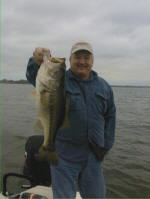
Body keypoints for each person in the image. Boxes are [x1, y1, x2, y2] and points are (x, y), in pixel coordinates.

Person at [26, 42, 116, 198]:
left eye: (86, 57)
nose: (82, 61)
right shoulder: (60, 79)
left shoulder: (104, 86)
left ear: (92, 60)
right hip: (64, 154)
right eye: (77, 57)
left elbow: (110, 118)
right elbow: (35, 76)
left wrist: (106, 147)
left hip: (93, 155)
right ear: (70, 59)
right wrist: (36, 60)